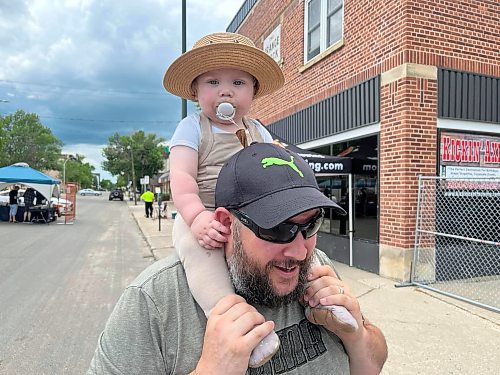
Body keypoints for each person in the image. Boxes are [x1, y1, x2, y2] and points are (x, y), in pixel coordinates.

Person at [87, 143, 387, 375]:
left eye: (310, 225)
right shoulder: (156, 302)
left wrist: (356, 333)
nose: (298, 251)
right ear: (227, 224)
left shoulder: (315, 263)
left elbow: (372, 365)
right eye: (278, 228)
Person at [164, 32, 285, 366]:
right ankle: (231, 320)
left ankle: (320, 295)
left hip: (249, 213)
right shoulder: (192, 127)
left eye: (238, 82)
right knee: (196, 249)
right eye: (213, 81)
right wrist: (197, 218)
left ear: (254, 91)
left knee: (295, 237)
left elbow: (271, 166)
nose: (226, 90)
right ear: (195, 91)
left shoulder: (258, 129)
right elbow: (183, 178)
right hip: (202, 212)